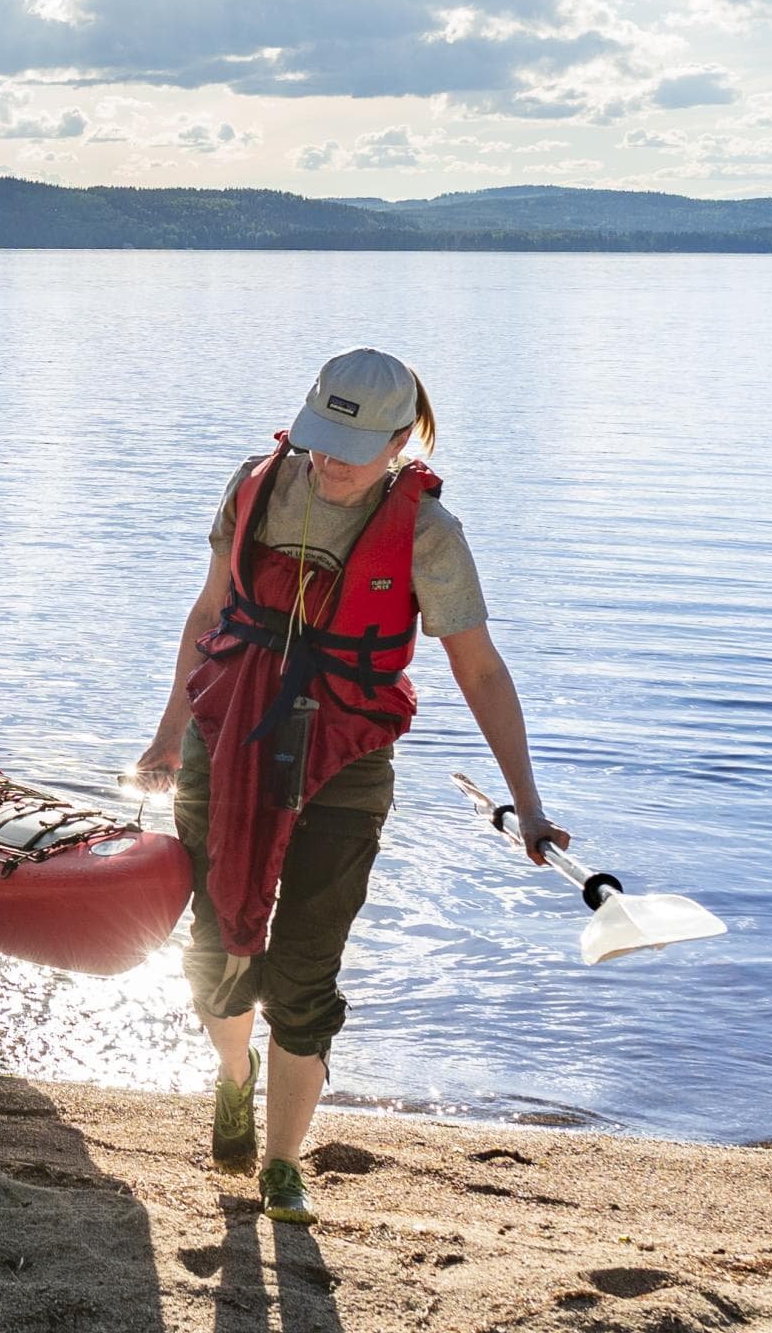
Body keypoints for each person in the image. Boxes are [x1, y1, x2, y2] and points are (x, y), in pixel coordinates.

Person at [134, 349, 566, 1228]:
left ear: (401, 440)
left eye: (349, 448)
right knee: (216, 948)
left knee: (304, 969)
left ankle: (284, 1164)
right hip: (229, 735)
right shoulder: (257, 486)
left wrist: (529, 801)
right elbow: (211, 609)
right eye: (318, 439)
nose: (325, 460)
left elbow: (480, 671)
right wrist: (168, 736)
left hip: (344, 754)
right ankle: (232, 1075)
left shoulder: (428, 534)